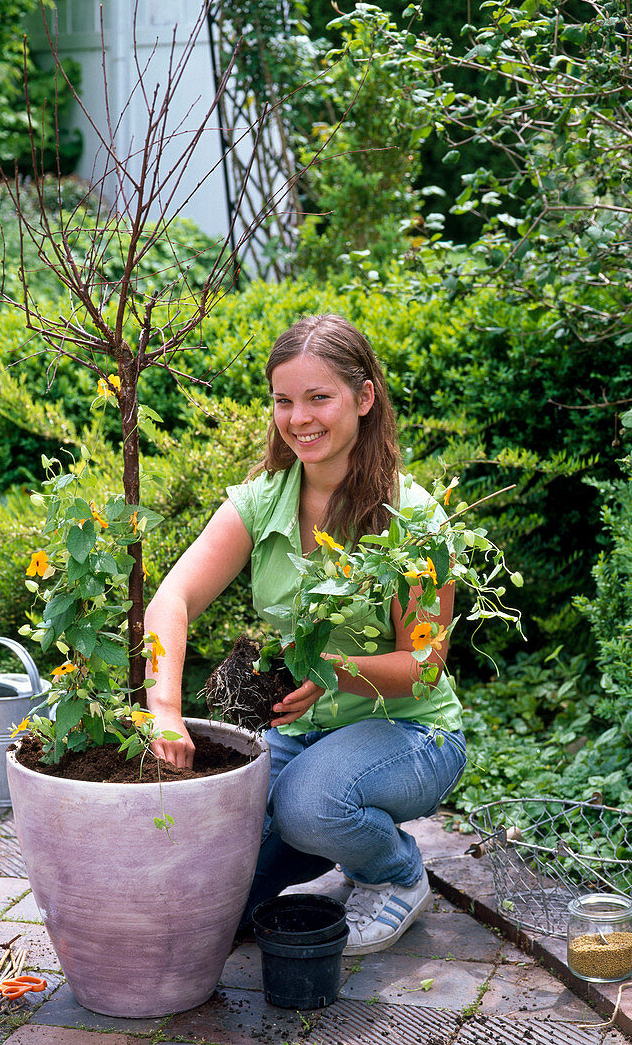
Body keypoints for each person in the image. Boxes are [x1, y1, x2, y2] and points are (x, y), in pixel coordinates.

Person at [144, 314, 466, 954]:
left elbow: (423, 665)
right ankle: (327, 841)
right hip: (303, 737)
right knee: (214, 887)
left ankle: (395, 873)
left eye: (320, 397)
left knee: (305, 805)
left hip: (412, 732)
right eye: (284, 400)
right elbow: (171, 599)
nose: (299, 418)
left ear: (364, 398)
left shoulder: (416, 519)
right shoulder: (263, 501)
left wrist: (327, 672)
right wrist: (165, 711)